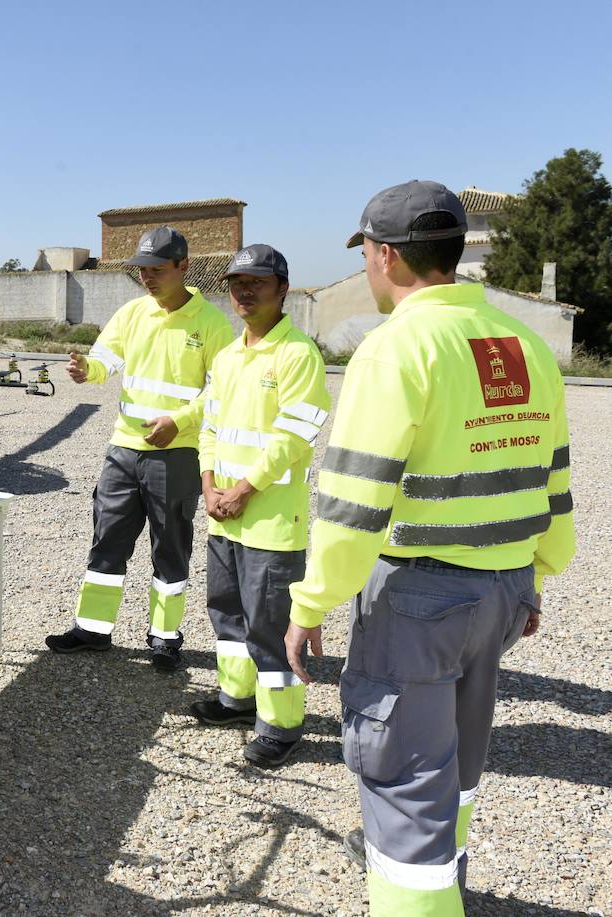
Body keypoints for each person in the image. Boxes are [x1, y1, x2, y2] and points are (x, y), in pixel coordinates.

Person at [285, 181, 575, 915]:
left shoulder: (396, 348)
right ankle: (449, 878)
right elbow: (554, 484)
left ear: (385, 255)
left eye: (367, 254)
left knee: (404, 782)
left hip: (420, 597)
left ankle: (419, 890)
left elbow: (353, 504)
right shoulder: (526, 345)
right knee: (458, 760)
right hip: (505, 587)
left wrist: (311, 603)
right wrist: (534, 577)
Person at [46, 226, 234, 670]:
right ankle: (92, 629)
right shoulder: (132, 313)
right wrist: (87, 369)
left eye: (156, 269)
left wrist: (179, 422)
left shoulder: (212, 324)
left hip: (177, 453)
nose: (147, 277)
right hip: (123, 451)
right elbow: (106, 359)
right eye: (141, 270)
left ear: (183, 267)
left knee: (170, 547)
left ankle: (165, 638)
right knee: (107, 540)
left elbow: (222, 391)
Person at [189, 244, 329, 768]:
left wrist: (242, 490)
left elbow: (294, 437)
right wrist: (209, 485)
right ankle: (236, 700)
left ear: (282, 289)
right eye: (237, 283)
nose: (244, 292)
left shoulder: (298, 355)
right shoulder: (228, 356)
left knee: (269, 626)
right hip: (223, 515)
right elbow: (210, 428)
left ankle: (281, 726)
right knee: (227, 614)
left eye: (257, 283)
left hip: (270, 521)